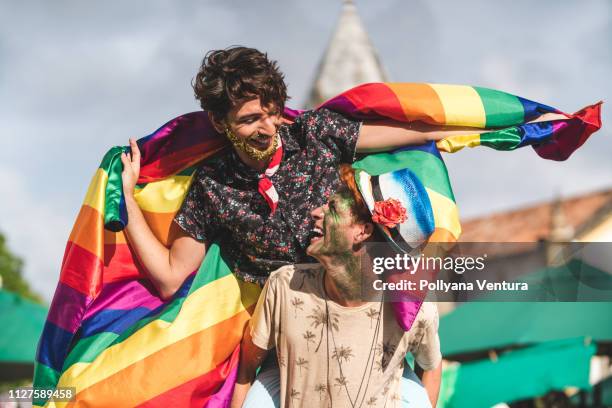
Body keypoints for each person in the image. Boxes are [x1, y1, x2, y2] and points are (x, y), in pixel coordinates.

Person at [120, 46, 563, 299]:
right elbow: (170, 278)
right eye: (250, 119)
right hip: (280, 332)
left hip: (359, 304)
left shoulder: (314, 133)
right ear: (219, 122)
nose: (268, 128)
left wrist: (502, 128)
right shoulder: (211, 189)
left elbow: (412, 129)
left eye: (272, 112)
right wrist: (126, 204)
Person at [231, 164, 442, 408]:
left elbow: (431, 367)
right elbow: (246, 370)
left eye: (331, 208)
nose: (314, 212)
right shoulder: (285, 286)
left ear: (363, 231)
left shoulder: (415, 308)